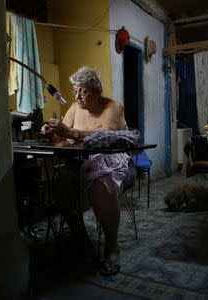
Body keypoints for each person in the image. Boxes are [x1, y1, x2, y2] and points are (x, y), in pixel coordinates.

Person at [41, 66, 130, 276]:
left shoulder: (113, 107)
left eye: (83, 91)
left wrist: (70, 132)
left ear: (97, 91)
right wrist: (50, 130)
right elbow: (61, 136)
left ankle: (111, 247)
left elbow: (106, 136)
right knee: (60, 180)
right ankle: (79, 235)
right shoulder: (74, 108)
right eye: (75, 91)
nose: (77, 96)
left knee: (101, 185)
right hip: (81, 161)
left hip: (112, 162)